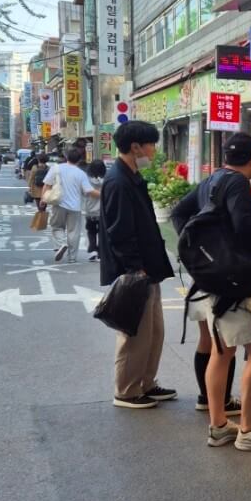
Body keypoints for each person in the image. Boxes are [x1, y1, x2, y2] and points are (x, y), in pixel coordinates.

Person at [171, 133, 251, 451]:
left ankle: (219, 425)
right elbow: (244, 229)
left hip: (209, 279)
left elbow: (178, 213)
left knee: (221, 351)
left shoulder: (211, 180)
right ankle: (248, 430)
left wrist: (202, 253)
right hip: (233, 282)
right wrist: (250, 258)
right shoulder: (238, 183)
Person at [99, 120, 176, 411]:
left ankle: (146, 382)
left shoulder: (131, 176)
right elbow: (119, 231)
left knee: (153, 332)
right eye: (151, 145)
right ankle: (127, 390)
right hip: (135, 271)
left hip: (147, 268)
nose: (154, 150)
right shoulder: (118, 181)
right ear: (136, 147)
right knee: (135, 334)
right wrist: (135, 268)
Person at [43, 146, 99, 263]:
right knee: (74, 232)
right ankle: (72, 257)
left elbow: (47, 185)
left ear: (66, 157)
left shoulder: (56, 168)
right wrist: (105, 194)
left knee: (57, 227)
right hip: (75, 207)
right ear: (79, 160)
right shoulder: (81, 173)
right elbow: (89, 191)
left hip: (58, 203)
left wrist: (43, 199)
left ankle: (61, 243)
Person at [83, 158, 106, 261]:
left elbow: (84, 193)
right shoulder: (107, 180)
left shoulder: (86, 180)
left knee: (91, 231)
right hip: (103, 211)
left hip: (90, 210)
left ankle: (92, 250)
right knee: (102, 232)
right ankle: (101, 252)